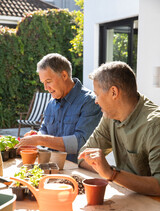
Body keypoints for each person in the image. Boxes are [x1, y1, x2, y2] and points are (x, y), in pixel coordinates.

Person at [78, 61, 160, 196]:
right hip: (127, 197)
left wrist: (112, 174)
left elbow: (159, 185)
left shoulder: (155, 125)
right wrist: (107, 171)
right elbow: (83, 156)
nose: (96, 101)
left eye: (97, 94)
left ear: (114, 92)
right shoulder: (110, 116)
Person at [18, 53, 102, 163]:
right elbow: (44, 130)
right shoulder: (51, 103)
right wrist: (36, 135)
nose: (46, 88)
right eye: (43, 83)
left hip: (79, 171)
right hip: (52, 168)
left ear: (64, 75)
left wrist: (40, 139)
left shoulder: (90, 101)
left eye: (48, 81)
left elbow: (80, 143)